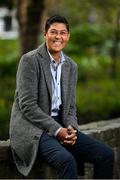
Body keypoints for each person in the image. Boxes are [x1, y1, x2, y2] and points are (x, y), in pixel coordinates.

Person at [10, 15, 114, 179]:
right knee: (67, 160)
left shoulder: (71, 66)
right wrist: (58, 130)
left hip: (61, 125)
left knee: (106, 154)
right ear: (45, 34)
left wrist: (71, 127)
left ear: (68, 36)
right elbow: (27, 106)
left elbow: (71, 106)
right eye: (53, 32)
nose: (58, 37)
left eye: (63, 33)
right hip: (34, 128)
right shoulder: (30, 60)